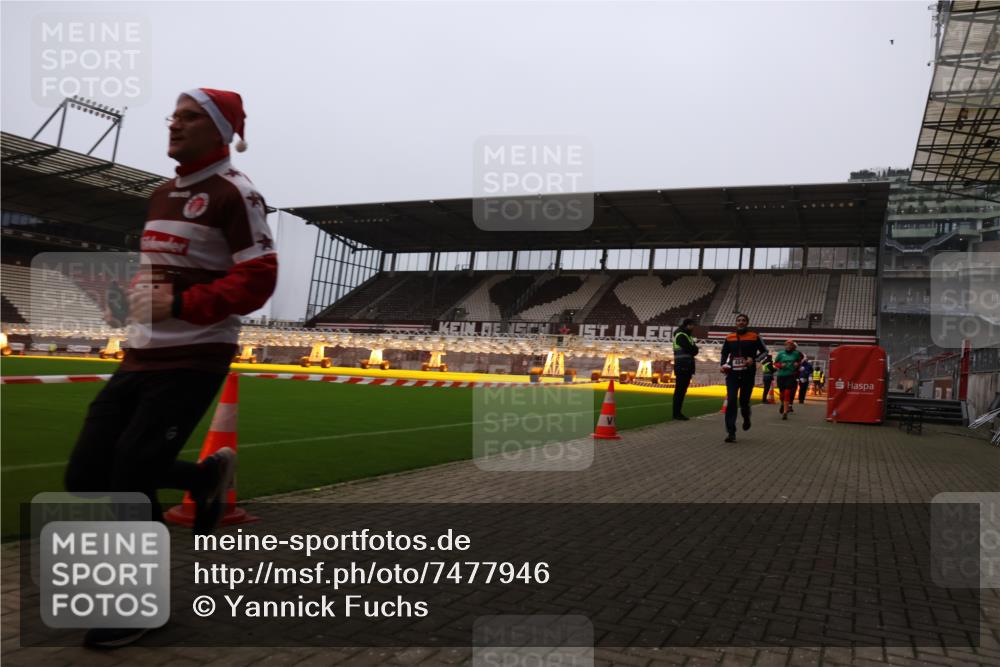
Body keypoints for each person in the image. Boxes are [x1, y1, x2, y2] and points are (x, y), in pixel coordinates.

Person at [63, 88, 277, 648]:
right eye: (173, 117)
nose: (174, 126)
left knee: (131, 474)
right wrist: (135, 294)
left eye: (188, 118)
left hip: (195, 355)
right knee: (86, 475)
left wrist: (180, 305)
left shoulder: (238, 194)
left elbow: (259, 280)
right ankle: (204, 477)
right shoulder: (160, 195)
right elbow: (163, 271)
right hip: (141, 354)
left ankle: (139, 606)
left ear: (220, 130)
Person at [719, 313, 768, 442]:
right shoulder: (729, 337)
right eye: (738, 320)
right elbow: (724, 353)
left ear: (747, 323)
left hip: (748, 373)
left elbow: (765, 351)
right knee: (731, 401)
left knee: (744, 402)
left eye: (743, 320)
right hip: (732, 374)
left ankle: (746, 418)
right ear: (736, 323)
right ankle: (731, 432)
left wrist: (755, 359)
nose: (741, 322)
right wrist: (723, 365)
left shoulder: (754, 336)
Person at [671, 318, 699, 420]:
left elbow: (695, 350)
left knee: (681, 391)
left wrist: (694, 349)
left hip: (685, 366)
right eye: (692, 325)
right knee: (680, 391)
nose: (693, 327)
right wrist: (694, 349)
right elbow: (692, 350)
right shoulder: (681, 335)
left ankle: (677, 413)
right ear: (688, 325)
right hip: (682, 366)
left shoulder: (686, 336)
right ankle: (676, 413)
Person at [773, 340, 804, 419]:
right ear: (785, 346)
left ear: (793, 346)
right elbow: (775, 363)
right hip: (781, 376)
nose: (788, 346)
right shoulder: (781, 353)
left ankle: (785, 412)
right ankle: (783, 404)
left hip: (791, 376)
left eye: (790, 345)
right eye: (787, 345)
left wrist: (797, 364)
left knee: (787, 393)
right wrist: (780, 365)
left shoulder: (796, 354)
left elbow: (800, 361)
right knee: (782, 394)